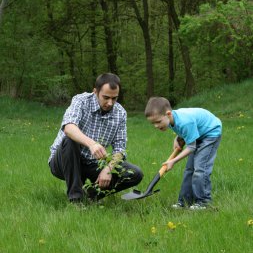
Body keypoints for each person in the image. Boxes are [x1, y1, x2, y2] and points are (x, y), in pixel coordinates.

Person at [49, 73, 143, 205]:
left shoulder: (120, 113)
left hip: (93, 164)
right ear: (95, 92)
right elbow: (68, 128)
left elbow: (120, 149)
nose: (110, 103)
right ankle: (76, 200)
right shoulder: (81, 101)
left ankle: (91, 195)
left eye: (114, 98)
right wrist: (92, 144)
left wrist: (108, 169)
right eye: (106, 97)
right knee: (69, 140)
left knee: (135, 173)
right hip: (64, 161)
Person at [144, 97, 222, 210]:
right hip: (199, 132)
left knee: (200, 168)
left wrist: (173, 161)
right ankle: (184, 201)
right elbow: (183, 129)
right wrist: (178, 138)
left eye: (158, 122)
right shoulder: (170, 119)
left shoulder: (185, 121)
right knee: (189, 170)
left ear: (168, 114)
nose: (156, 126)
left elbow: (191, 146)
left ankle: (204, 202)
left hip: (210, 133)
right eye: (153, 123)